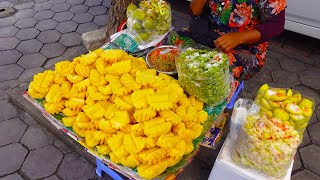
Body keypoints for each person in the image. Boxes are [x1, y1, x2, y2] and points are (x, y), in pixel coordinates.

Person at [186, 0, 286, 80]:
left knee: (210, 72)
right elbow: (194, 11)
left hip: (243, 47)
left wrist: (238, 37)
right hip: (206, 35)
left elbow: (276, 25)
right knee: (173, 44)